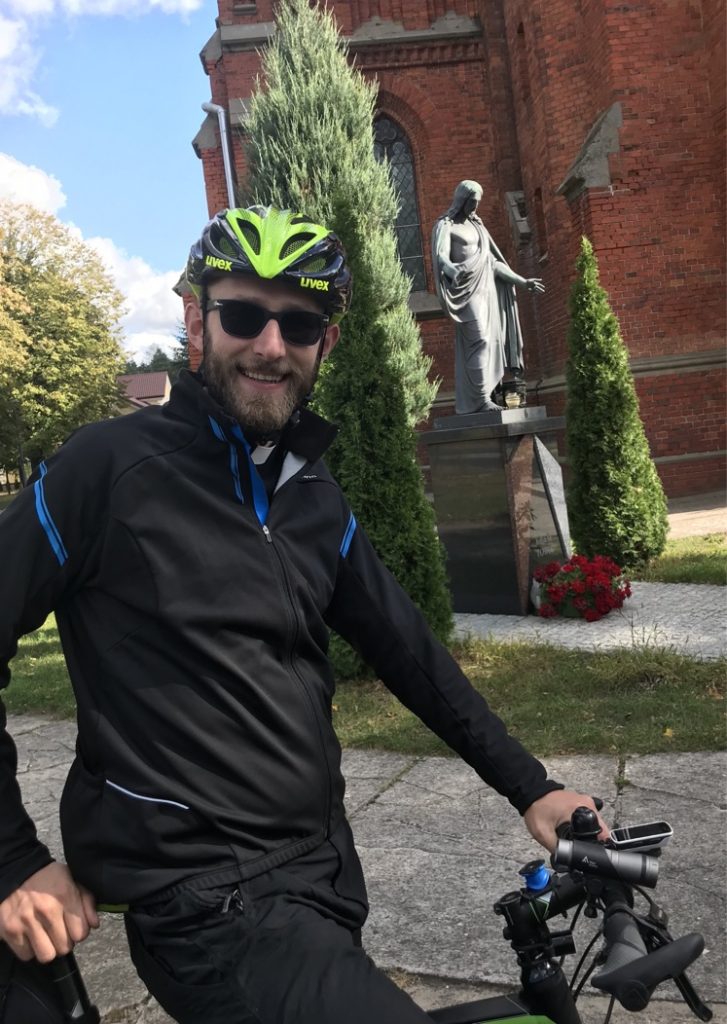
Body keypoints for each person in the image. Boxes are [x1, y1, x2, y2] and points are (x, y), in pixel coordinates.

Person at [0, 205, 605, 1024]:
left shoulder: (310, 493)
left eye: (299, 323)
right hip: (201, 902)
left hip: (319, 879)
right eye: (243, 316)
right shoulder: (107, 469)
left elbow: (408, 652)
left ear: (327, 341)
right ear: (197, 323)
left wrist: (532, 787)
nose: (270, 345)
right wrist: (12, 860)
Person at [432, 180, 545, 413]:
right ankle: (481, 399)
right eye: (472, 202)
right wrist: (452, 270)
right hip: (466, 291)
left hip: (486, 291)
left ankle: (485, 397)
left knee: (492, 341)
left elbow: (493, 263)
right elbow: (441, 256)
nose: (475, 206)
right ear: (462, 200)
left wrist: (522, 281)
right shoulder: (446, 225)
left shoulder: (479, 228)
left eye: (478, 202)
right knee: (480, 339)